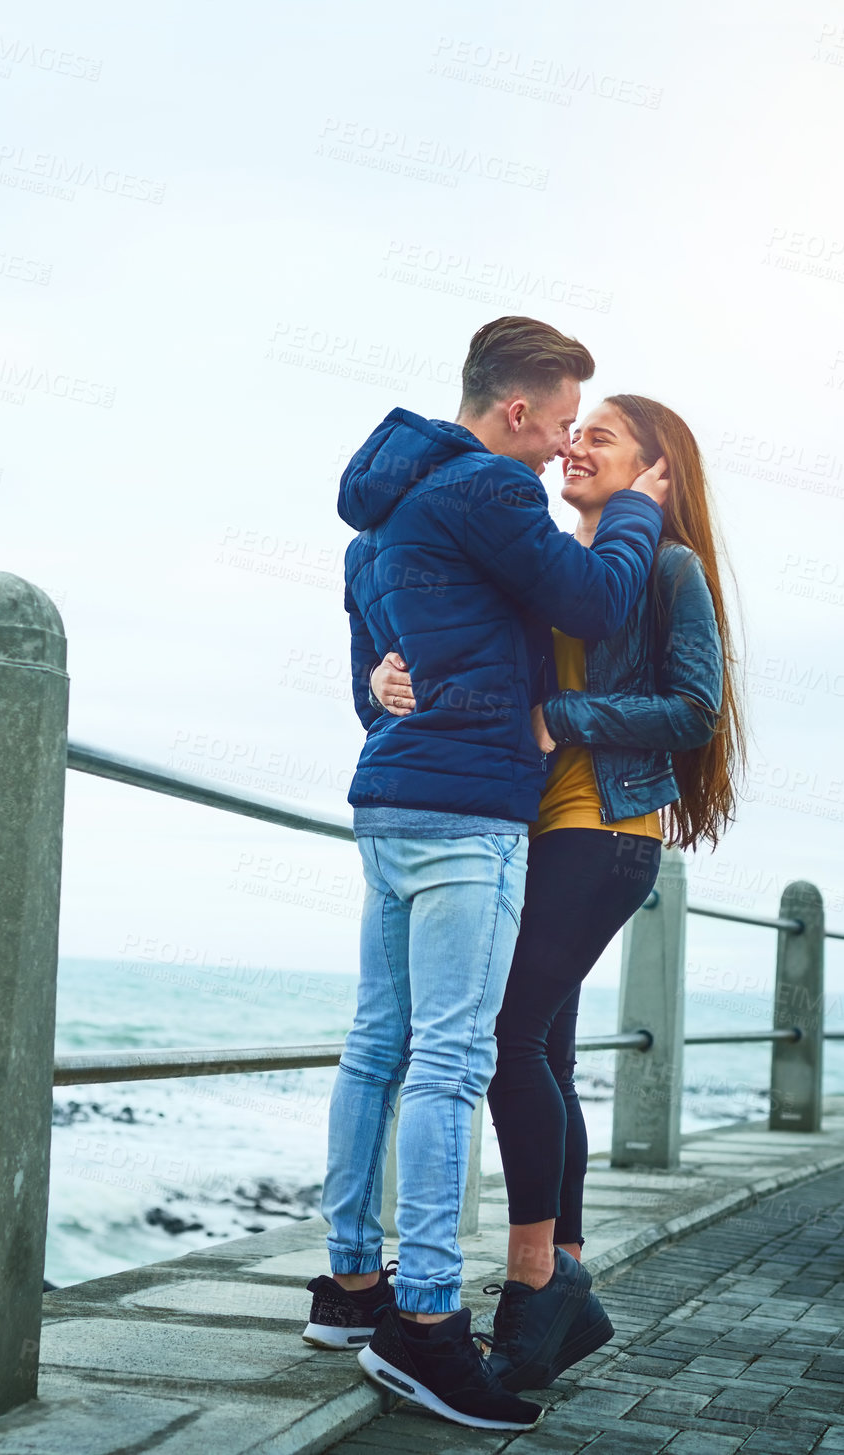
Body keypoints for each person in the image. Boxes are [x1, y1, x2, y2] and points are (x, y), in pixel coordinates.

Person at [300, 316, 668, 1432]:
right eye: (559, 421)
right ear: (517, 411)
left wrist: (395, 690)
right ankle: (423, 1329)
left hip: (389, 801)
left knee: (377, 1048)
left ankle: (350, 1287)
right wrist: (641, 506)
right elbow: (598, 601)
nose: (561, 445)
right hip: (470, 815)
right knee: (452, 1062)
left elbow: (372, 676)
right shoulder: (492, 494)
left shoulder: (383, 521)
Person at [368, 392, 741, 1393]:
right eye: (576, 432)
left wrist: (561, 715)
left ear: (655, 471)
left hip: (606, 834)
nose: (576, 446)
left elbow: (695, 708)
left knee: (505, 1040)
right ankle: (562, 1274)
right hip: (529, 834)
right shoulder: (562, 570)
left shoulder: (668, 567)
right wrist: (386, 677)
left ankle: (533, 1278)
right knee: (549, 1053)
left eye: (602, 436)